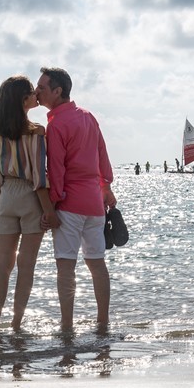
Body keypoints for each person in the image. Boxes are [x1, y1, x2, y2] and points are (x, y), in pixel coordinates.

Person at [35, 67, 117, 332]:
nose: (37, 91)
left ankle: (67, 327)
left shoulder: (57, 124)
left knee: (66, 266)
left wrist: (52, 206)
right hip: (94, 204)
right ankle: (103, 322)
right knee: (97, 264)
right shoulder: (88, 117)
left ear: (57, 91)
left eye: (42, 88)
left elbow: (56, 171)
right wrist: (106, 186)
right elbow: (102, 154)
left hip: (70, 204)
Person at [0, 75, 56, 332]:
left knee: (2, 265)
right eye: (32, 92)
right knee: (26, 267)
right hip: (30, 197)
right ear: (23, 99)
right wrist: (49, 211)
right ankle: (16, 324)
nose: (36, 94)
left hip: (6, 197)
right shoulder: (36, 132)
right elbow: (39, 178)